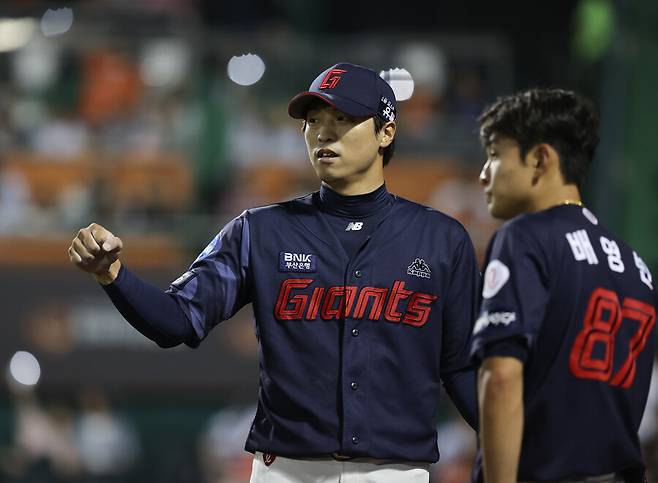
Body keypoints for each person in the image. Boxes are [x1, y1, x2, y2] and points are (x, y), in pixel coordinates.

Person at [68, 62, 480, 483]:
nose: (324, 132)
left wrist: (523, 446)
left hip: (398, 471)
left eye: (343, 118)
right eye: (313, 120)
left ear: (385, 132)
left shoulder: (441, 240)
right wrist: (113, 273)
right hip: (285, 471)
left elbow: (462, 367)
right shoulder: (260, 231)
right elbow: (177, 321)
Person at [471, 87, 657, 483]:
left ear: (540, 159)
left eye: (494, 153)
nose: (484, 173)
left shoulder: (525, 237)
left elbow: (501, 377)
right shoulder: (637, 266)